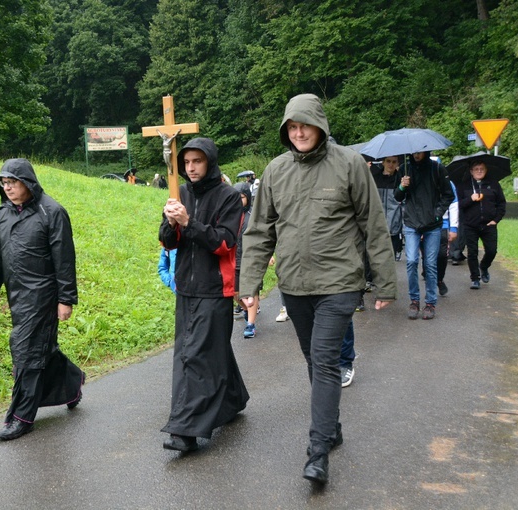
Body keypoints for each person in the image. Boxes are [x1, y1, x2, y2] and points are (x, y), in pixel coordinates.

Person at [240, 94, 396, 484]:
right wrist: (251, 284)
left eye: (304, 125)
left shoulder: (348, 164)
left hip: (340, 282)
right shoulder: (276, 170)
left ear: (320, 125)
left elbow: (373, 223)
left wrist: (385, 281)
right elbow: (259, 231)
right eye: (292, 127)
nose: (298, 132)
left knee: (325, 360)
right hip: (293, 284)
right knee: (314, 359)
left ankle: (318, 450)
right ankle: (333, 428)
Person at [0, 158, 84, 441]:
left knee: (25, 352)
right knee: (41, 350)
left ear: (28, 182)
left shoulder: (52, 212)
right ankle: (72, 383)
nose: (8, 188)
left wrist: (66, 299)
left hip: (43, 296)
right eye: (4, 183)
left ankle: (21, 417)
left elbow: (64, 260)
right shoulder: (4, 214)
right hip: (18, 297)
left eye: (13, 182)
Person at [159, 137, 250, 453]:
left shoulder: (229, 197)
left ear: (209, 162)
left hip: (215, 289)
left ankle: (186, 431)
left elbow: (224, 242)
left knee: (197, 356)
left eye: (197, 161)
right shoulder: (180, 193)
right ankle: (233, 399)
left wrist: (189, 222)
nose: (191, 167)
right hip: (186, 287)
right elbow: (168, 243)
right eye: (186, 162)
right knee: (207, 350)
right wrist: (171, 224)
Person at [394, 152, 454, 320]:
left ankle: (430, 303)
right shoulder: (405, 169)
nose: (416, 154)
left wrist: (438, 213)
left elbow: (449, 194)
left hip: (432, 224)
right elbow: (397, 196)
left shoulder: (437, 169)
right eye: (414, 151)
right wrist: (402, 186)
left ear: (426, 151)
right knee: (412, 261)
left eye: (420, 151)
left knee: (430, 264)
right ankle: (414, 300)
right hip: (412, 222)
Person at [457, 160, 506, 289]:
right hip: (470, 225)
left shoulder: (494, 184)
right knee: (472, 253)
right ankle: (475, 278)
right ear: (471, 171)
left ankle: (483, 266)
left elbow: (501, 204)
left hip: (489, 225)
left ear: (486, 170)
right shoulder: (464, 186)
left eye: (482, 169)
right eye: (476, 169)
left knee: (491, 251)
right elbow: (458, 205)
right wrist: (470, 199)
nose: (479, 171)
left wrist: (496, 220)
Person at [234, 182, 258, 338]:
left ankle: (251, 324)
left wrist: (267, 256)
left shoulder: (253, 216)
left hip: (250, 260)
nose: (238, 201)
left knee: (251, 292)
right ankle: (245, 309)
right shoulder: (229, 216)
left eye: (241, 197)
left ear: (247, 197)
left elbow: (260, 238)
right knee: (235, 293)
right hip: (233, 261)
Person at [371, 156, 404, 260]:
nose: (391, 164)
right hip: (377, 225)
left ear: (397, 164)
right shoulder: (374, 178)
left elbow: (403, 203)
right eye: (388, 161)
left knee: (390, 260)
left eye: (394, 162)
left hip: (393, 226)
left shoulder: (401, 179)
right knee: (374, 259)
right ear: (383, 163)